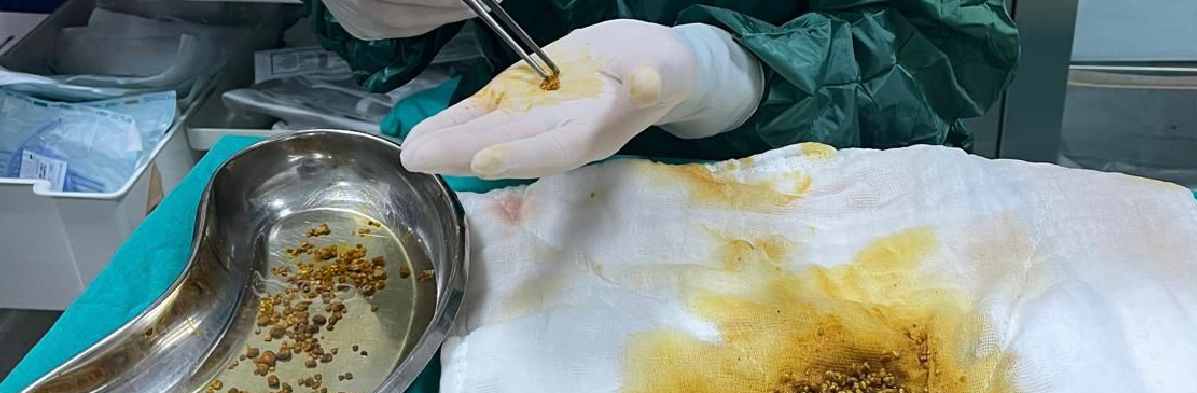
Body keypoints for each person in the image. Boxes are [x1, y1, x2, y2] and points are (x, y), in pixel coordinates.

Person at [310, 0, 1019, 180]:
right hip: (543, 154)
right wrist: (365, 17)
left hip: (814, 180)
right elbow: (379, 35)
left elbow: (947, 46)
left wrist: (729, 73)